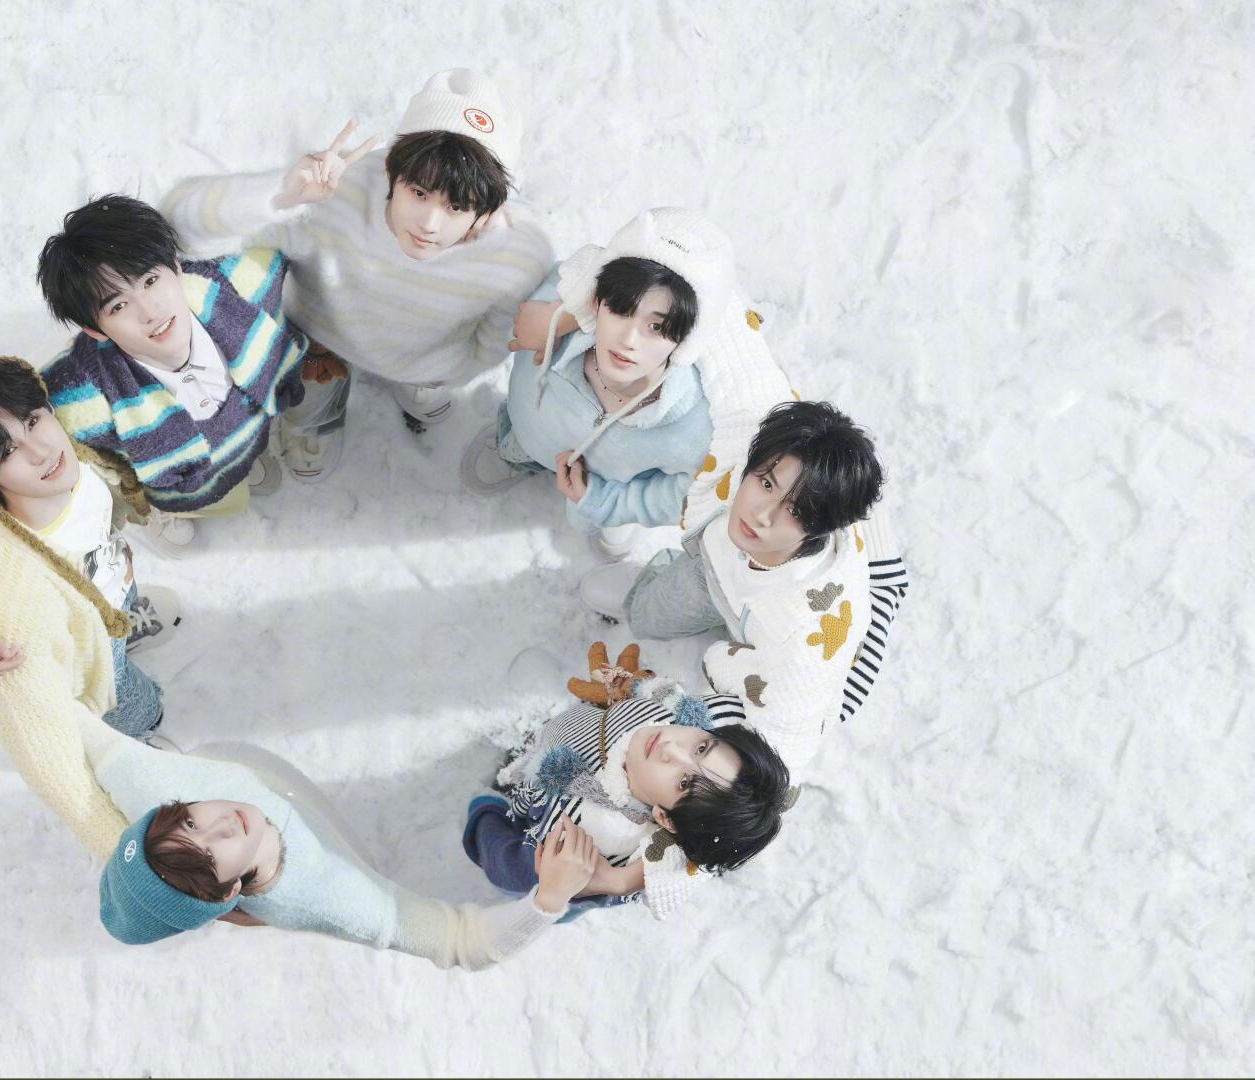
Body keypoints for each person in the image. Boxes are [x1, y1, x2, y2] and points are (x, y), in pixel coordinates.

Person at [0, 195, 309, 672]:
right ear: (96, 329)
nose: (150, 311)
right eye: (119, 304)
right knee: (208, 496)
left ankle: (240, 464)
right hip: (175, 484)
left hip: (251, 433)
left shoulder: (237, 282)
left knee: (242, 470)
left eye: (151, 281)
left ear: (175, 266)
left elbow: (306, 242)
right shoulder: (78, 394)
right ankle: (171, 510)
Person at [163, 68, 553, 481]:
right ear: (391, 171)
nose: (430, 223)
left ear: (487, 210)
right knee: (307, 390)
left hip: (424, 358)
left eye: (456, 206)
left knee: (429, 368)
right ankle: (320, 410)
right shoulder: (335, 193)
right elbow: (181, 226)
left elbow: (496, 339)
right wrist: (280, 194)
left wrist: (452, 371)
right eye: (419, 193)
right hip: (320, 339)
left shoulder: (514, 258)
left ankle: (417, 381)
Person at [84, 721, 597, 970]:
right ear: (227, 894)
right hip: (338, 851)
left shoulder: (150, 785)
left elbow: (60, 723)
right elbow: (464, 943)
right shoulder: (334, 897)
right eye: (211, 854)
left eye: (190, 820)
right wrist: (548, 900)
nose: (222, 823)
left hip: (253, 772)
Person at [0, 356, 167, 858]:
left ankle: (124, 619)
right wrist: (116, 845)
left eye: (33, 421)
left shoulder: (68, 456)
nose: (41, 450)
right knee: (129, 700)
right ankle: (142, 733)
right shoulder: (13, 590)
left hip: (104, 595)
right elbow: (36, 736)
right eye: (8, 451)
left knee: (120, 604)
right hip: (88, 652)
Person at [582, 401, 887, 772]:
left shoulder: (799, 639)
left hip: (765, 634)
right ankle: (644, 597)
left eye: (795, 511)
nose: (762, 514)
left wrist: (720, 664)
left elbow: (788, 744)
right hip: (715, 567)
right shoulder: (755, 449)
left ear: (821, 527)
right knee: (650, 614)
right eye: (767, 484)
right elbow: (736, 371)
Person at [460, 208, 726, 559]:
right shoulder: (557, 314)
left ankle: (612, 523)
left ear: (686, 339)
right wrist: (554, 317)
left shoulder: (696, 428)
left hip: (613, 485)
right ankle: (516, 453)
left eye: (657, 327)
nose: (628, 340)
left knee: (609, 520)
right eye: (621, 309)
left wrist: (606, 501)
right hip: (533, 436)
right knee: (522, 442)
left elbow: (685, 493)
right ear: (596, 301)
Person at [463, 643, 792, 920]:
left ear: (664, 817)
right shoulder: (698, 716)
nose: (671, 748)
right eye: (702, 747)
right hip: (578, 732)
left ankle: (491, 806)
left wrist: (490, 815)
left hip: (549, 847)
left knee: (516, 866)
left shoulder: (588, 833)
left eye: (684, 783)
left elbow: (520, 870)